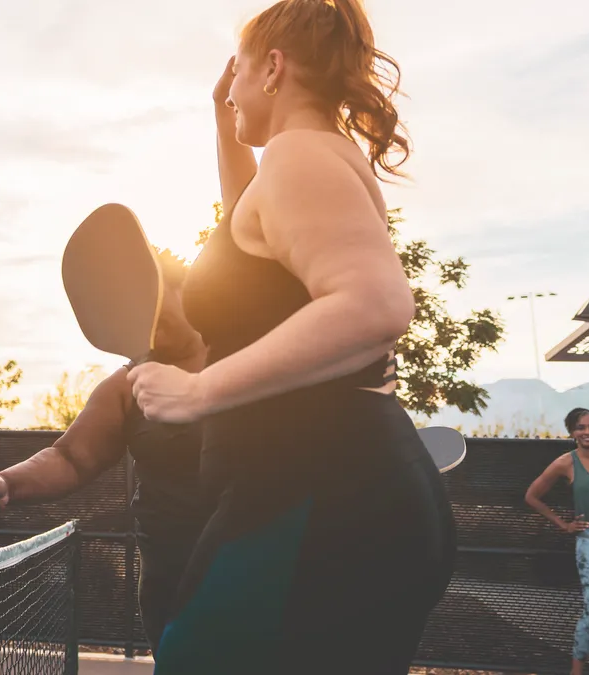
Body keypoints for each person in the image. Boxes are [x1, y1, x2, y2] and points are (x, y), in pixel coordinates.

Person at [124, 1, 455, 672]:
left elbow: (377, 303)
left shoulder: (299, 156)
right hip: (327, 490)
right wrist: (226, 126)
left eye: (239, 71)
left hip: (320, 498)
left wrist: (196, 391)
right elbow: (255, 255)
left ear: (273, 67)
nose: (233, 87)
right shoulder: (303, 158)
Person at [0, 252, 208, 654]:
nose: (147, 326)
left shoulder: (250, 355)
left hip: (262, 563)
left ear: (185, 289)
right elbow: (70, 458)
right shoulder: (125, 385)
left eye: (155, 306)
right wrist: (6, 482)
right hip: (171, 580)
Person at [526, 408, 589, 675]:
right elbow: (532, 496)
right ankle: (577, 670)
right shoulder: (566, 462)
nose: (588, 432)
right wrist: (564, 525)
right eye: (581, 428)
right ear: (573, 433)